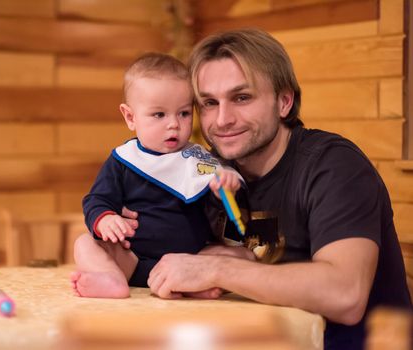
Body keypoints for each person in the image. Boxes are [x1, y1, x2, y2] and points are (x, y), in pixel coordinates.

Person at [140, 29, 412, 350]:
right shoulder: (207, 172)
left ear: (284, 102)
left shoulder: (334, 165)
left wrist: (219, 269)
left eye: (242, 98)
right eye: (209, 103)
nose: (222, 119)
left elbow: (345, 295)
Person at [70, 52, 244, 299]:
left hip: (190, 262)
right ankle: (111, 279)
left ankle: (193, 285)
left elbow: (217, 216)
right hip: (132, 258)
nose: (174, 124)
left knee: (242, 257)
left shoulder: (198, 159)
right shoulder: (123, 160)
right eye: (159, 115)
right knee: (84, 243)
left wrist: (222, 191)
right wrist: (105, 219)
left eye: (183, 113)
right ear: (130, 117)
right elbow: (96, 200)